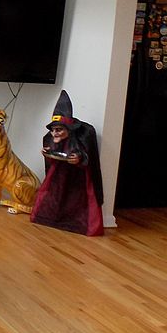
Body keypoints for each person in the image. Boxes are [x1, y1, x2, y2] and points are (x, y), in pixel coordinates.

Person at [30, 90, 104, 236]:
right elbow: (51, 154)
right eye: (53, 130)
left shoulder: (83, 136)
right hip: (59, 174)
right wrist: (48, 152)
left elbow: (87, 155)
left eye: (59, 130)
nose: (54, 134)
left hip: (77, 178)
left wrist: (79, 158)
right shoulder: (50, 137)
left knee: (76, 201)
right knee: (54, 197)